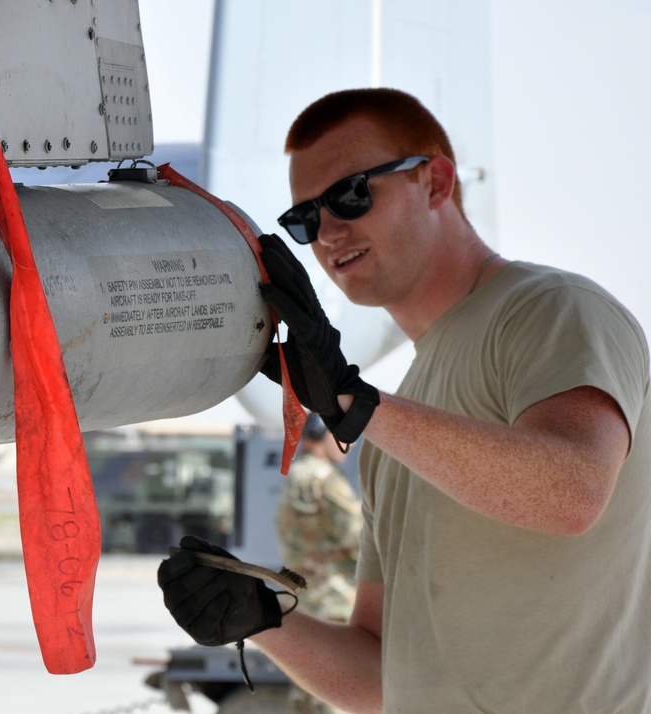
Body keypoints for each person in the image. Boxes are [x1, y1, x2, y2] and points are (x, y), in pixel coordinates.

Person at [158, 87, 651, 713]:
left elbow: (572, 491)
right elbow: (380, 675)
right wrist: (258, 619)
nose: (329, 232)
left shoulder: (551, 310)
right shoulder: (401, 420)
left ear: (435, 182)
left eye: (351, 195)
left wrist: (355, 404)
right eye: (306, 219)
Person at [277, 412, 361, 714]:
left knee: (308, 688)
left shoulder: (297, 475)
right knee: (337, 690)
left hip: (307, 596)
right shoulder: (324, 478)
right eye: (343, 437)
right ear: (321, 435)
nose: (349, 445)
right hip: (335, 599)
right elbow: (360, 538)